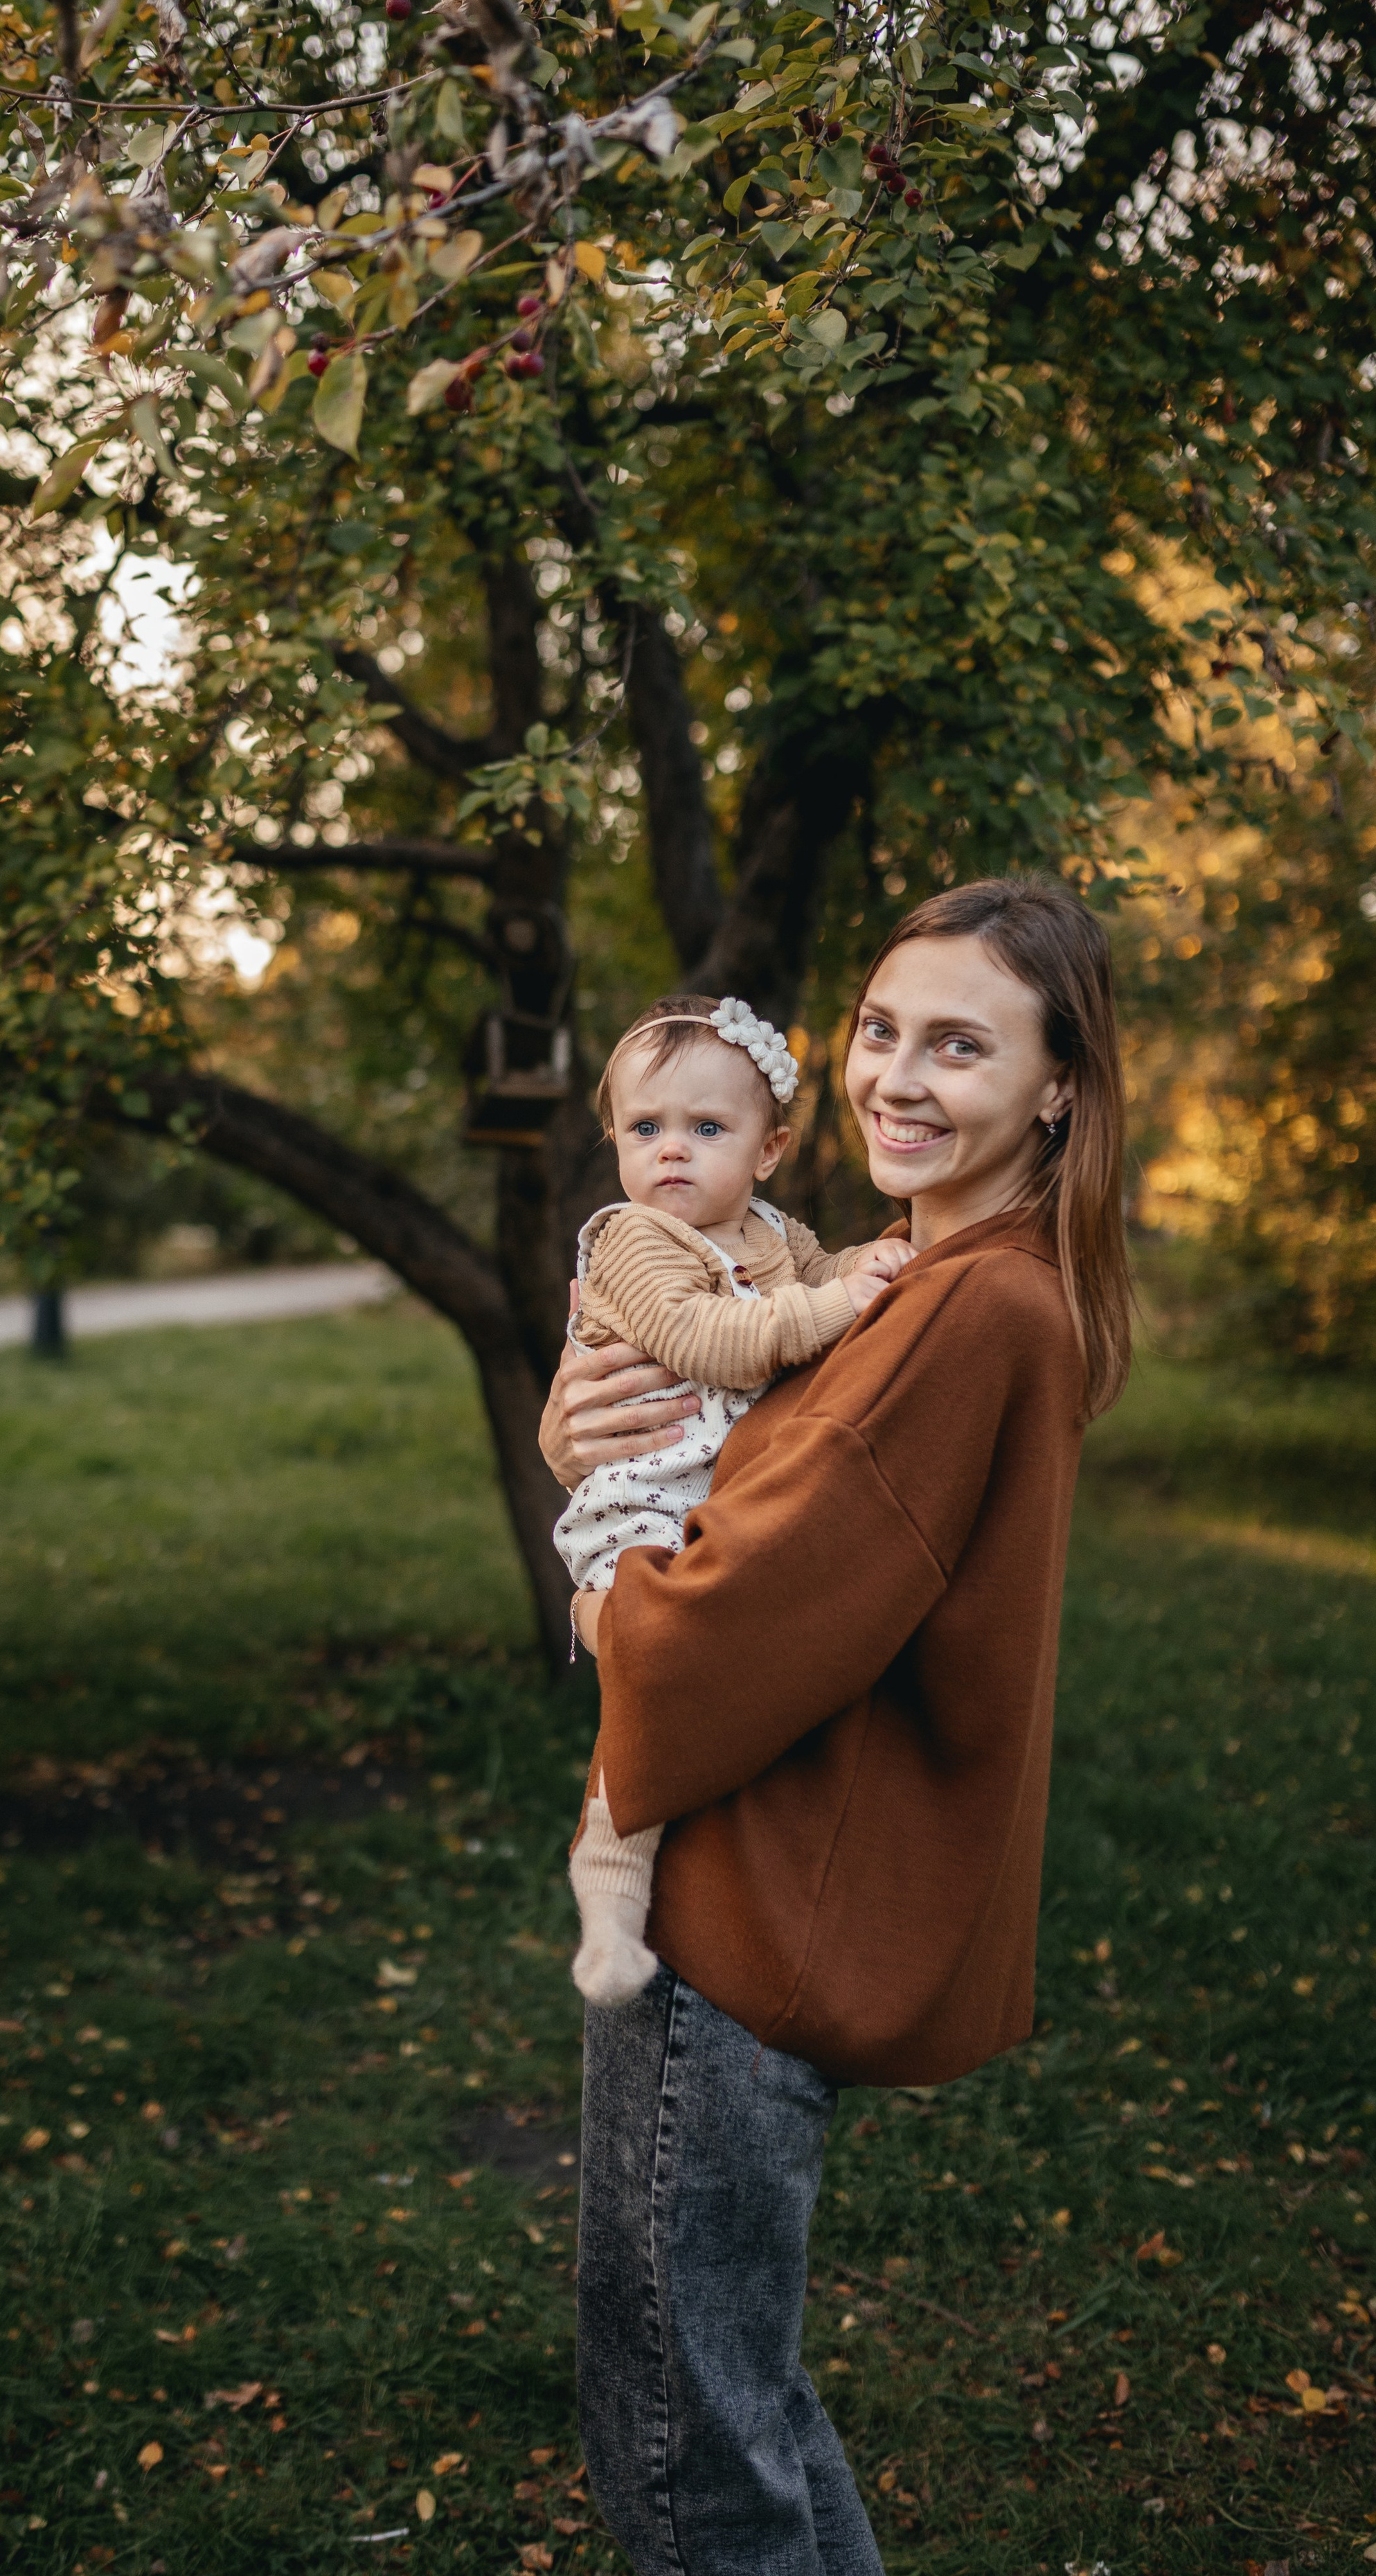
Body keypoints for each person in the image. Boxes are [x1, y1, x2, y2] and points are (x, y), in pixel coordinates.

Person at [539, 878, 1132, 2576]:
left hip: (742, 1918)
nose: (897, 1075)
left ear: (1056, 1088)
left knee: (683, 2437)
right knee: (738, 2401)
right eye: (880, 1030)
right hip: (755, 1890)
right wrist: (580, 1444)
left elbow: (731, 1619)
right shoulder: (915, 1276)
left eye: (960, 1043)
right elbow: (720, 1457)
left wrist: (594, 1597)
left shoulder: (968, 1308)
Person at [557, 991, 913, 2005]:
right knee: (657, 1666)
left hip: (711, 1491)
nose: (672, 1151)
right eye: (645, 1127)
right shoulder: (634, 1240)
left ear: (768, 1150)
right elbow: (711, 1341)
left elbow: (824, 1276)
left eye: (707, 1128)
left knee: (688, 1679)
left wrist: (871, 1265)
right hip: (639, 1493)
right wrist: (841, 1302)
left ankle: (639, 1834)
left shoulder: (773, 1234)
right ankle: (611, 1873)